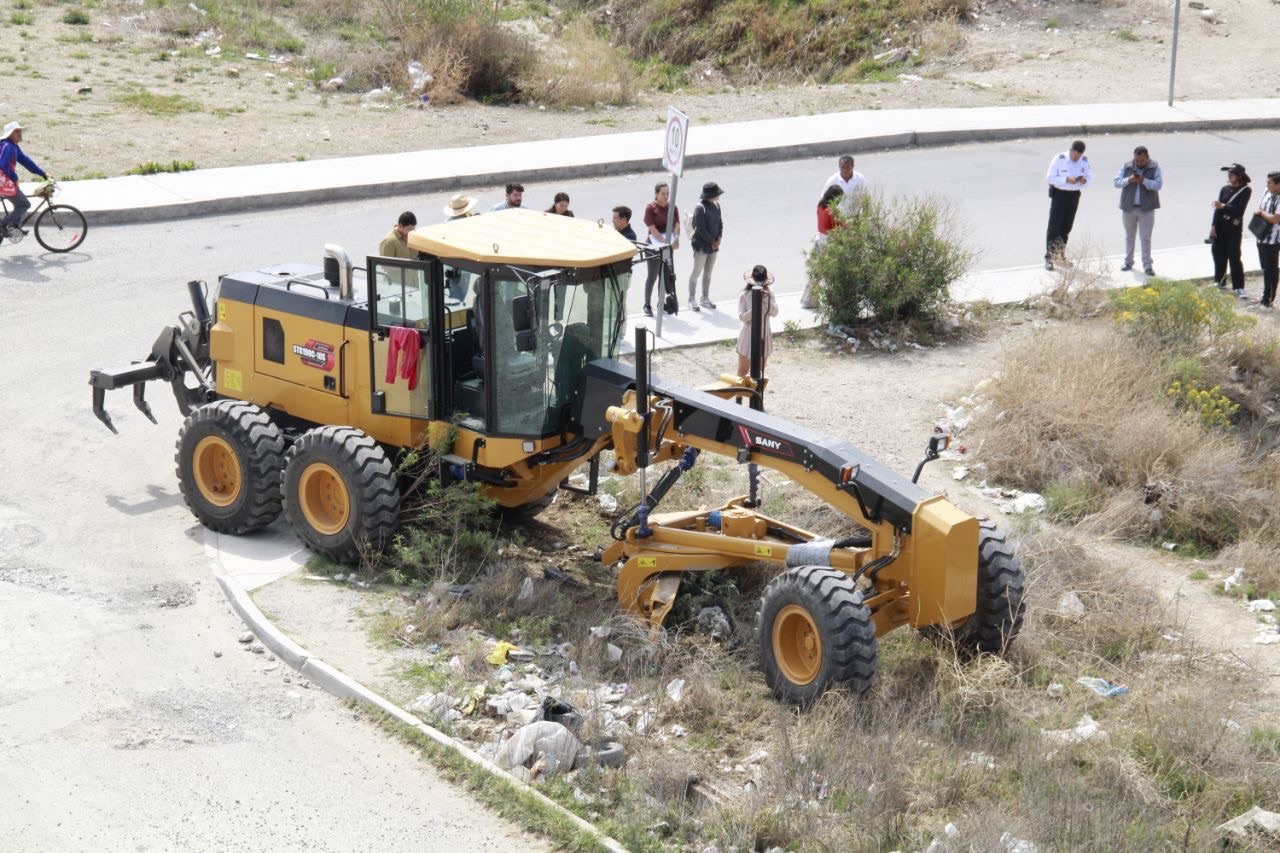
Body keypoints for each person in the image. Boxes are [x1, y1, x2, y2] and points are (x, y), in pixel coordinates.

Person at [1113, 145, 1163, 276]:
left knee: (1145, 238)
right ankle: (1128, 262)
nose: (1139, 163)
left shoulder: (1155, 166)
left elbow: (1158, 184)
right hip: (1129, 207)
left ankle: (1147, 265)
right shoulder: (1127, 166)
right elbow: (1116, 182)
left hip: (1147, 208)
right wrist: (1129, 179)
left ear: (1147, 158)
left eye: (1142, 161)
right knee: (1129, 237)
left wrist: (1144, 181)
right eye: (1137, 160)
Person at [1044, 139, 1091, 270]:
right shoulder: (1059, 159)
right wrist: (1065, 179)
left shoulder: (1084, 161)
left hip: (1074, 195)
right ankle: (1049, 257)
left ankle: (1060, 255)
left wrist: (1083, 180)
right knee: (1054, 228)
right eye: (1075, 155)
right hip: (1059, 195)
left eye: (1079, 156)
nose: (1077, 158)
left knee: (1066, 228)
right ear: (1070, 150)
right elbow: (1050, 178)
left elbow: (1089, 178)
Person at [0, 120, 49, 238]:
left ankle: (13, 227)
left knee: (20, 203)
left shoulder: (14, 147)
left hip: (5, 181)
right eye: (17, 132)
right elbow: (2, 165)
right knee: (23, 204)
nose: (20, 134)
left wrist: (43, 173)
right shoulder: (7, 146)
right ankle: (4, 225)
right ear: (10, 134)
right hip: (3, 182)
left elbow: (27, 161)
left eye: (20, 132)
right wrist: (15, 178)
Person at [1209, 163, 1252, 297]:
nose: (1229, 176)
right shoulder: (1224, 189)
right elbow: (1218, 209)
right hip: (1220, 226)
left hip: (1233, 229)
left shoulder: (1246, 190)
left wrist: (1223, 206)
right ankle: (1220, 281)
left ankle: (1239, 286)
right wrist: (1213, 226)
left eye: (1231, 174)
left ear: (1239, 176)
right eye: (1228, 174)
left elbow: (1239, 210)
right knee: (1218, 254)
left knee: (1234, 257)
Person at [642, 181, 681, 317]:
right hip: (654, 246)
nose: (666, 196)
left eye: (667, 193)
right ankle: (647, 304)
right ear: (656, 194)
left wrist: (675, 238)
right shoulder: (651, 208)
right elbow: (652, 229)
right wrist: (665, 242)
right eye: (663, 193)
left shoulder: (672, 207)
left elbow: (676, 224)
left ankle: (661, 302)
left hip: (667, 245)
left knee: (665, 275)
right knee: (652, 275)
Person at [803, 185, 845, 309]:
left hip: (819, 241)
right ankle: (834, 301)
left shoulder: (820, 207)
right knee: (832, 275)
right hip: (828, 244)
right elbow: (836, 227)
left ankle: (809, 300)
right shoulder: (830, 212)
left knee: (816, 273)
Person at [688, 181, 724, 312]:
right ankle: (691, 298)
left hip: (713, 245)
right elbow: (700, 229)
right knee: (696, 272)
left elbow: (720, 223)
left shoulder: (717, 206)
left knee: (708, 273)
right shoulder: (700, 207)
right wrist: (712, 241)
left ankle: (705, 297)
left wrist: (719, 238)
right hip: (702, 246)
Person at [737, 265, 779, 376]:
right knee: (742, 371)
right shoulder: (744, 295)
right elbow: (742, 317)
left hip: (764, 334)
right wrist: (756, 306)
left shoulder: (769, 295)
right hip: (748, 334)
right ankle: (739, 393)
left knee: (759, 372)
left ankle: (756, 393)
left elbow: (774, 313)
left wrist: (765, 300)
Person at [1252, 172, 1280, 310]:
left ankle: (1268, 300)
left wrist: (1261, 213)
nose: (1267, 185)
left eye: (1270, 183)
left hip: (1273, 240)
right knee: (1265, 268)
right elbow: (1261, 208)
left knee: (1271, 271)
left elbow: (1275, 219)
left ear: (1278, 185)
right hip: (1261, 236)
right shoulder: (1267, 193)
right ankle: (1265, 297)